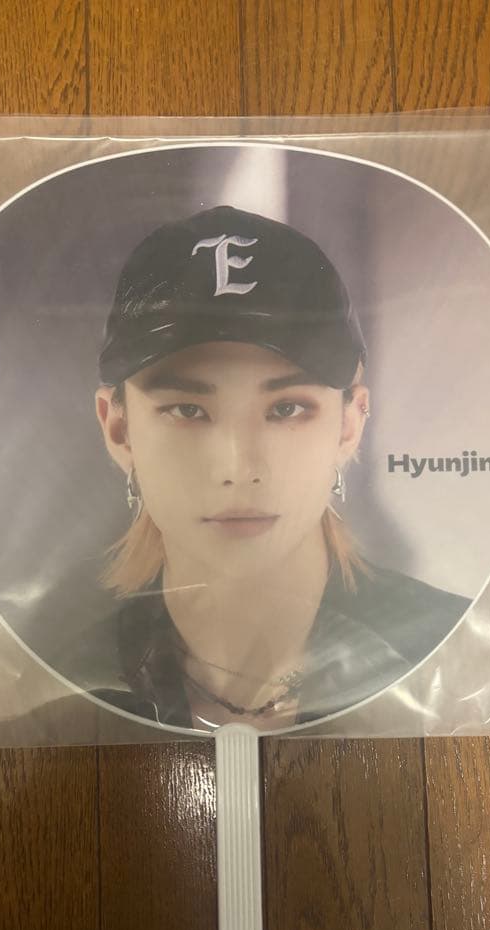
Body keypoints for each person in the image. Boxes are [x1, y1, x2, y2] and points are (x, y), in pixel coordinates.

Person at [90, 205, 469, 732]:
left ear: (349, 425)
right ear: (119, 429)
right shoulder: (60, 681)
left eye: (287, 408)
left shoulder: (461, 653)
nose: (239, 468)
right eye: (188, 410)